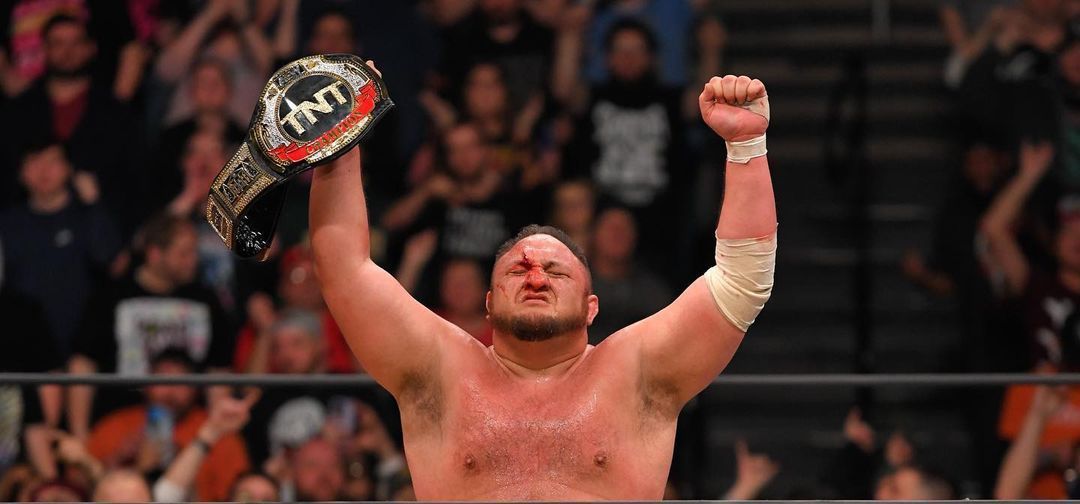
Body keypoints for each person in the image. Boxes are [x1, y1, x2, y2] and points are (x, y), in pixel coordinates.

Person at [309, 59, 775, 499]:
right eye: (517, 269)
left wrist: (747, 144)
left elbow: (741, 279)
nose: (535, 276)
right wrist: (340, 144)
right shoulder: (438, 369)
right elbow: (344, 270)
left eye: (555, 271)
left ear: (592, 306)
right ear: (489, 303)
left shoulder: (639, 371)